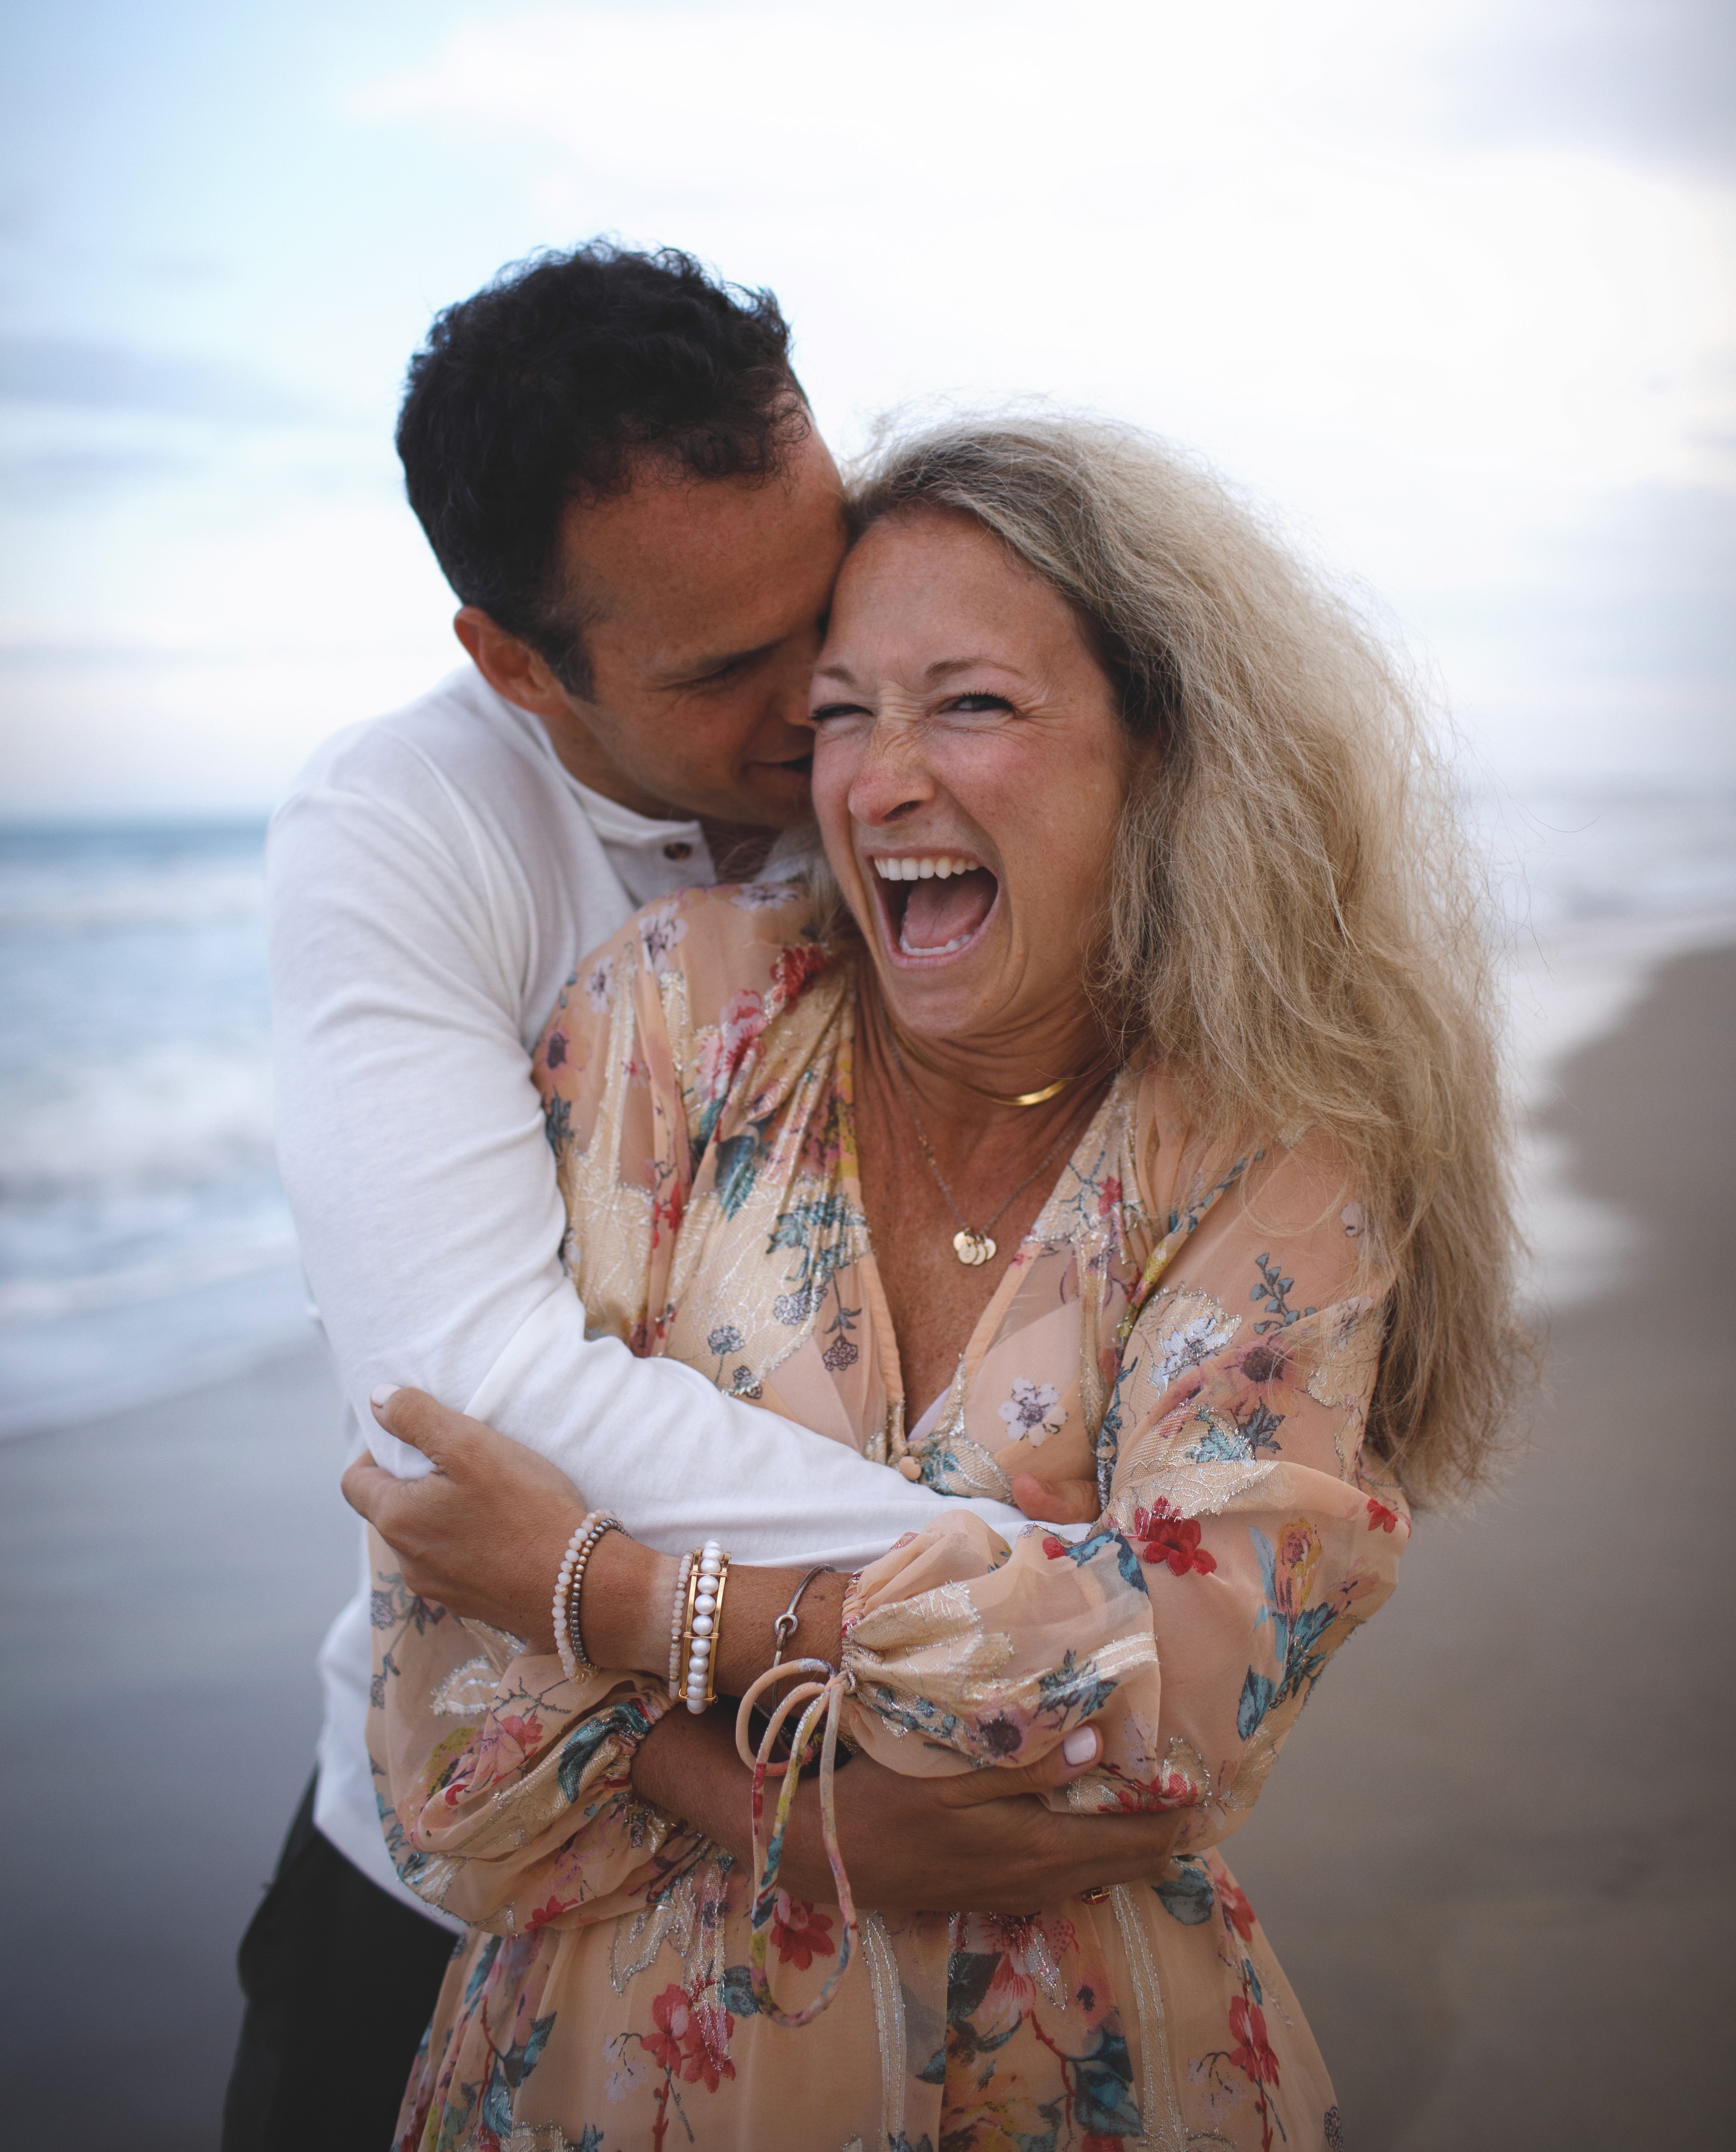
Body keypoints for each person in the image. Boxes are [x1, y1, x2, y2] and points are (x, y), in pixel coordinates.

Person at [345, 412, 1524, 2150]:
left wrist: (625, 1606)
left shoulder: (1270, 1146)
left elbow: (1187, 1694)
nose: (875, 779)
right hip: (601, 2071)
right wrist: (773, 1807)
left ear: (1162, 748)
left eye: (966, 703)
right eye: (840, 713)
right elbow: (442, 1624)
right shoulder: (673, 1018)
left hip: (1077, 2077)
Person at [223, 249, 1145, 2152]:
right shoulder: (405, 827)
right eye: (729, 672)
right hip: (473, 1879)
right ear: (514, 662)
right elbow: (460, 1389)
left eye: (821, 608)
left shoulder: (943, 770)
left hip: (984, 1893)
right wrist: (1041, 1608)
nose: (827, 711)